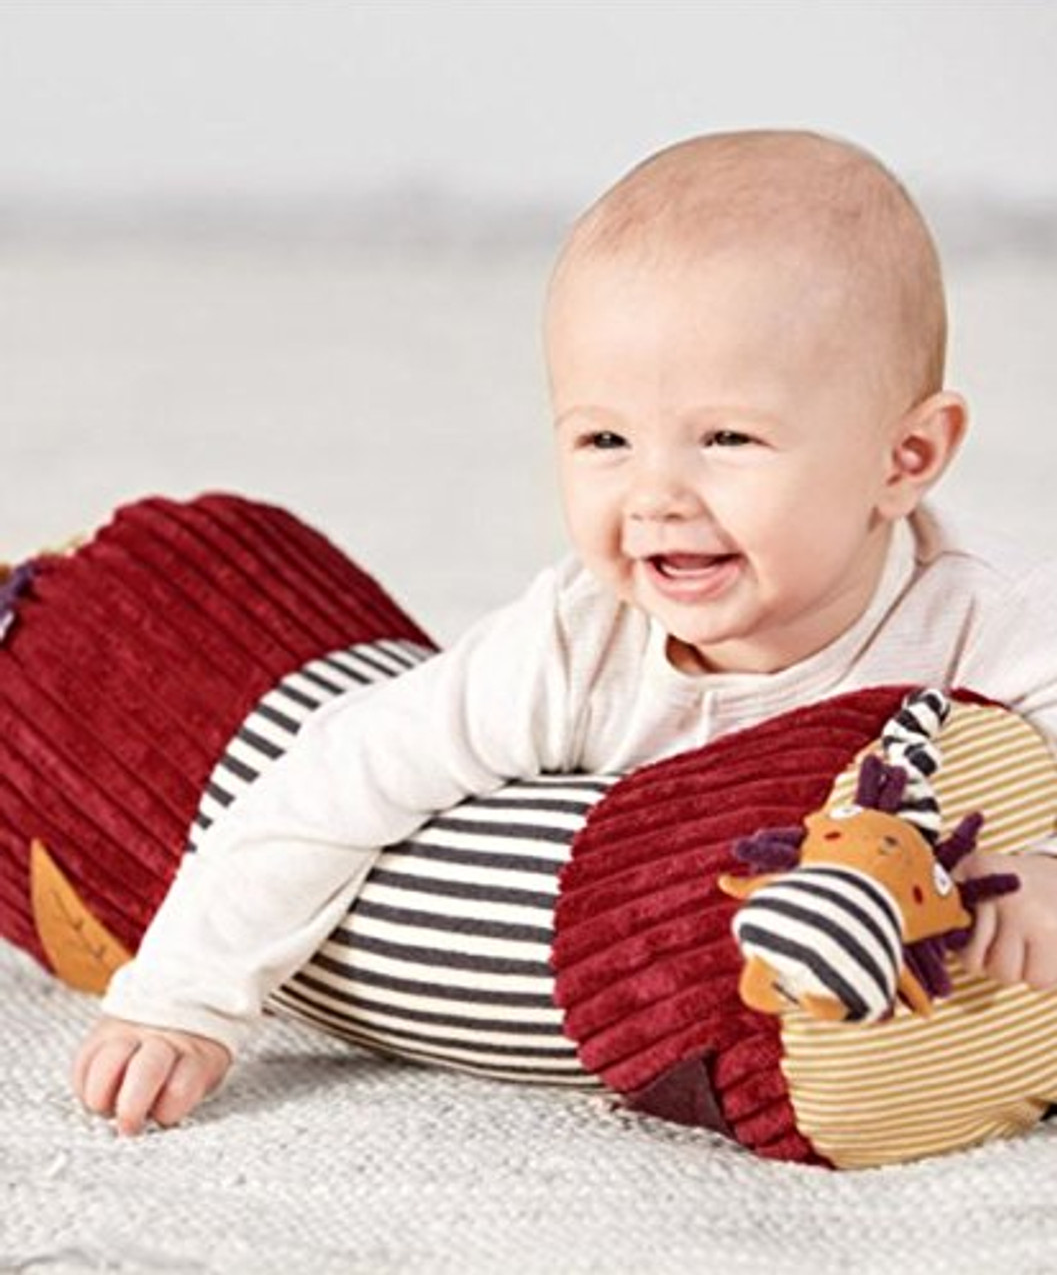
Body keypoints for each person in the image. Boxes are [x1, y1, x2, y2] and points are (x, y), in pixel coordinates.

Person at [72, 129, 1057, 1137]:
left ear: (905, 455)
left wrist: (1040, 863)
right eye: (603, 439)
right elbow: (340, 771)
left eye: (727, 438)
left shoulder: (986, 615)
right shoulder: (576, 642)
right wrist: (184, 997)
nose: (656, 494)